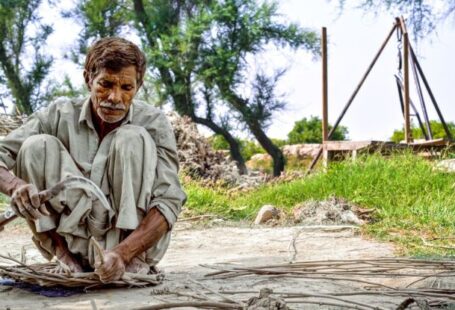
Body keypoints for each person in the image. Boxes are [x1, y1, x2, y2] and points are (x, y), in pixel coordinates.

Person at [0, 37, 186, 282]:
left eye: (126, 88)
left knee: (132, 138)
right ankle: (65, 257)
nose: (114, 97)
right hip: (71, 244)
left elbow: (169, 201)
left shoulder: (153, 122)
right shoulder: (59, 113)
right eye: (105, 84)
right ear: (88, 78)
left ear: (138, 86)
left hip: (130, 251)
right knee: (36, 146)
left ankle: (129, 262)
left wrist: (123, 253)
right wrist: (16, 187)